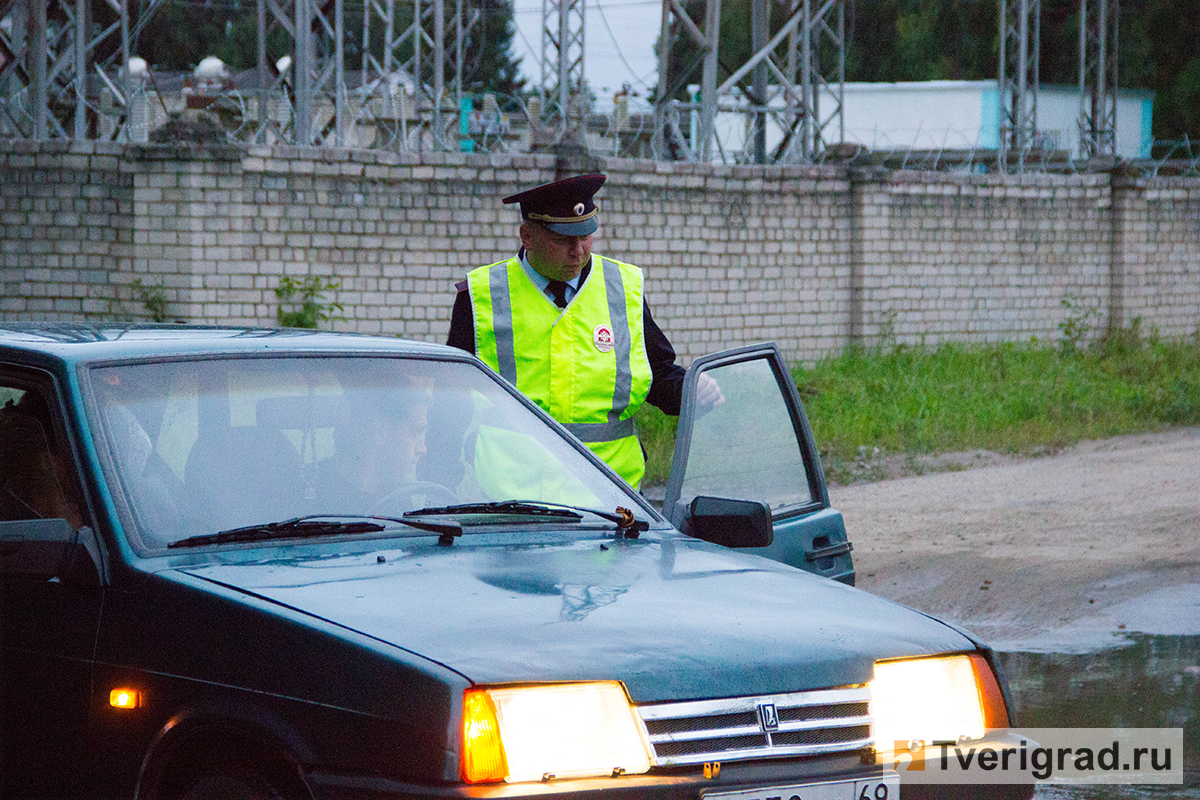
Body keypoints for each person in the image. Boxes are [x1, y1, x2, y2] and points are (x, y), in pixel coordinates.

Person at [447, 173, 721, 489]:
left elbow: (657, 374)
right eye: (563, 240)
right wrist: (440, 481)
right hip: (513, 497)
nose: (578, 251)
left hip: (612, 497)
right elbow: (451, 399)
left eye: (586, 235)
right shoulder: (482, 296)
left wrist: (693, 392)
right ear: (527, 235)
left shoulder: (622, 287)